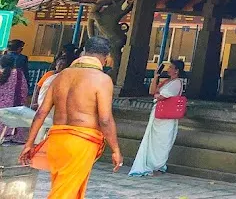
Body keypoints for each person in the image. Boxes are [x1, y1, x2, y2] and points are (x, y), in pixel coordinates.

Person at [20, 36, 123, 199]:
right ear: (106, 58)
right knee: (64, 193)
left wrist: (29, 143)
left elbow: (41, 112)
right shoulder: (102, 79)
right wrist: (116, 149)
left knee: (64, 188)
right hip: (81, 143)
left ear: (84, 52)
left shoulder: (60, 76)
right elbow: (105, 119)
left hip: (56, 140)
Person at [129, 59, 185, 177]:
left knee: (162, 141)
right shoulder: (167, 82)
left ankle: (158, 165)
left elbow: (162, 96)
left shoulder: (177, 83)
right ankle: (150, 163)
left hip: (166, 117)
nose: (168, 69)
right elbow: (153, 92)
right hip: (158, 114)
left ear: (177, 71)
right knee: (152, 139)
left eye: (171, 67)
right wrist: (156, 76)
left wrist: (158, 96)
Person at [0, 53, 29, 143]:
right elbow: (23, 89)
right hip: (13, 106)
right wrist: (23, 102)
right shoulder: (18, 73)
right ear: (13, 63)